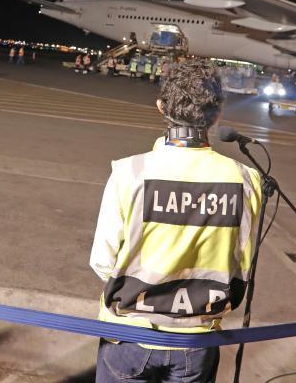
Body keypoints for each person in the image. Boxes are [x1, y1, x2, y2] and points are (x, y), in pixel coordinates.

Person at [90, 59, 261, 383]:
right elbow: (242, 265)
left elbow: (103, 262)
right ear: (218, 113)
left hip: (128, 335)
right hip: (197, 340)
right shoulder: (245, 180)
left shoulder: (130, 173)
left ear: (160, 107)